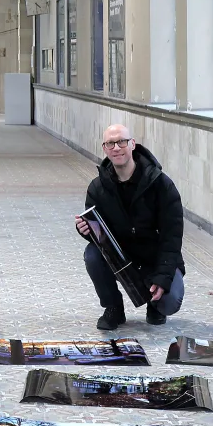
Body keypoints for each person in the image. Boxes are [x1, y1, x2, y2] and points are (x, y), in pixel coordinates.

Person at [75, 124, 184, 331]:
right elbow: (100, 237)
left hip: (154, 258)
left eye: (122, 142)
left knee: (170, 302)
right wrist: (85, 231)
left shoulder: (161, 184)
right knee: (92, 254)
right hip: (122, 259)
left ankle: (155, 305)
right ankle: (113, 307)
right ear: (105, 148)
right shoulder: (97, 188)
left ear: (132, 144)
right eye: (111, 143)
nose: (117, 147)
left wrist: (163, 277)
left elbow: (172, 236)